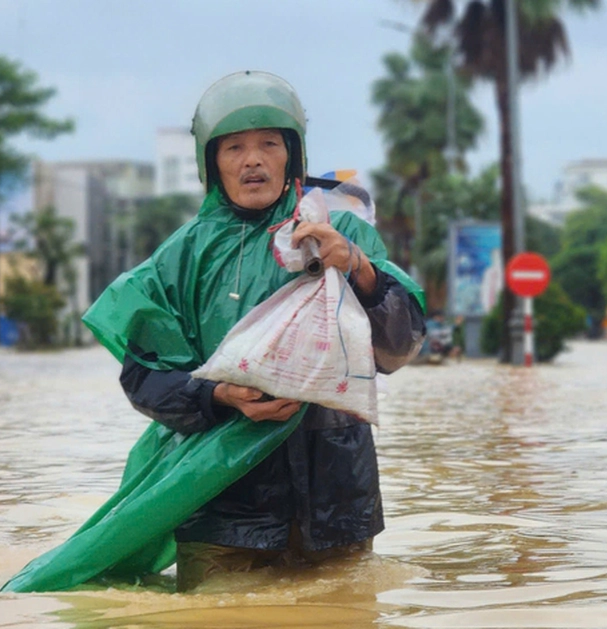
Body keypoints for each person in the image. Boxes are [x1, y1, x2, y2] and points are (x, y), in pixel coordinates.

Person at [83, 71, 425, 592]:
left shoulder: (346, 235)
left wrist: (359, 268)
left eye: (269, 143)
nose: (253, 160)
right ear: (210, 162)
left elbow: (397, 350)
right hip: (221, 512)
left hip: (338, 503)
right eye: (235, 147)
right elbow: (145, 381)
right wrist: (219, 395)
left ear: (292, 155)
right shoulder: (179, 260)